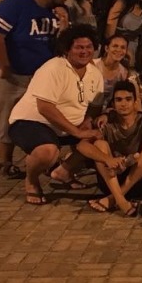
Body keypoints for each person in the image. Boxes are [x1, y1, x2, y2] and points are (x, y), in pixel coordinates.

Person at [7, 24, 104, 206]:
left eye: (89, 47)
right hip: (32, 122)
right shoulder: (53, 68)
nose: (85, 51)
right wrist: (77, 132)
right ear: (67, 49)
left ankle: (64, 171)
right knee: (47, 151)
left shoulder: (95, 73)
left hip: (69, 127)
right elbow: (45, 107)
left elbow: (95, 105)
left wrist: (87, 122)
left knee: (102, 136)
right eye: (79, 47)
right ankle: (31, 180)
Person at [0, 0, 72, 178]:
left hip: (42, 75)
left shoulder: (57, 12)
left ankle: (46, 160)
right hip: (14, 75)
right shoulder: (17, 2)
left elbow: (62, 44)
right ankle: (6, 163)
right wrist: (5, 66)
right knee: (7, 115)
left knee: (43, 117)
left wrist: (64, 25)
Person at [78, 80, 142, 218]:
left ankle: (115, 199)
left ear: (135, 102)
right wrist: (108, 159)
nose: (123, 104)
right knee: (99, 144)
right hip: (112, 180)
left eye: (128, 99)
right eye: (119, 100)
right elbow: (81, 146)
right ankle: (121, 200)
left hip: (138, 180)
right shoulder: (107, 123)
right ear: (113, 104)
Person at [94, 34, 131, 106]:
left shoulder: (124, 73)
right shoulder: (94, 65)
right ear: (106, 48)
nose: (119, 50)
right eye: (115, 46)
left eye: (123, 47)